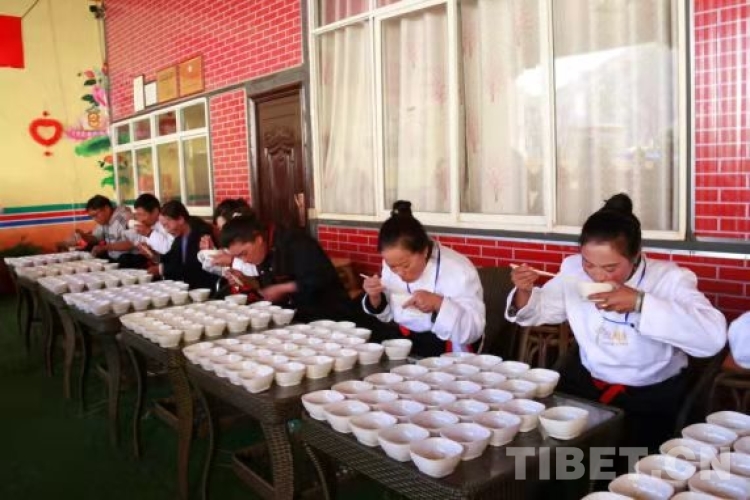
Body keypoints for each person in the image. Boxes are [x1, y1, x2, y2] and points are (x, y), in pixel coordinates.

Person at [507, 193, 727, 453]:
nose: (597, 275)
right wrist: (524, 291)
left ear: (635, 255)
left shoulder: (669, 279)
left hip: (650, 396)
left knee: (629, 464)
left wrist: (641, 302)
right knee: (563, 454)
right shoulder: (572, 270)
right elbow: (540, 310)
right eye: (589, 264)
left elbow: (713, 337)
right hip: (588, 385)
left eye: (610, 268)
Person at [361, 201, 485, 357]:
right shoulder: (393, 260)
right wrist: (375, 297)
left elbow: (473, 330)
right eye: (392, 267)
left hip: (449, 349)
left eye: (405, 265)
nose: (399, 273)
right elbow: (390, 312)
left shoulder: (458, 270)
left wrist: (438, 303)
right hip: (407, 343)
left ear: (424, 251)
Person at [220, 214, 351, 322]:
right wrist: (245, 280)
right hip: (293, 318)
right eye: (238, 257)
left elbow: (320, 278)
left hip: (329, 317)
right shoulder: (263, 249)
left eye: (244, 253)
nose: (244, 260)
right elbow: (268, 288)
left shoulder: (296, 242)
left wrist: (283, 288)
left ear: (258, 239)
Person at [153, 200, 219, 290]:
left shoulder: (201, 234)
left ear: (181, 219)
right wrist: (155, 256)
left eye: (167, 225)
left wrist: (162, 269)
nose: (167, 230)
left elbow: (194, 267)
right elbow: (172, 257)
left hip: (203, 288)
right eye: (164, 226)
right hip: (187, 285)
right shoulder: (180, 236)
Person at [76, 194, 143, 268]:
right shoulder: (104, 221)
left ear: (106, 209)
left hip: (131, 258)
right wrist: (83, 235)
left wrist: (104, 247)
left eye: (96, 215)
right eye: (92, 217)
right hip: (114, 258)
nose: (94, 219)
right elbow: (95, 239)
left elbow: (132, 243)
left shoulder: (124, 218)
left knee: (124, 259)